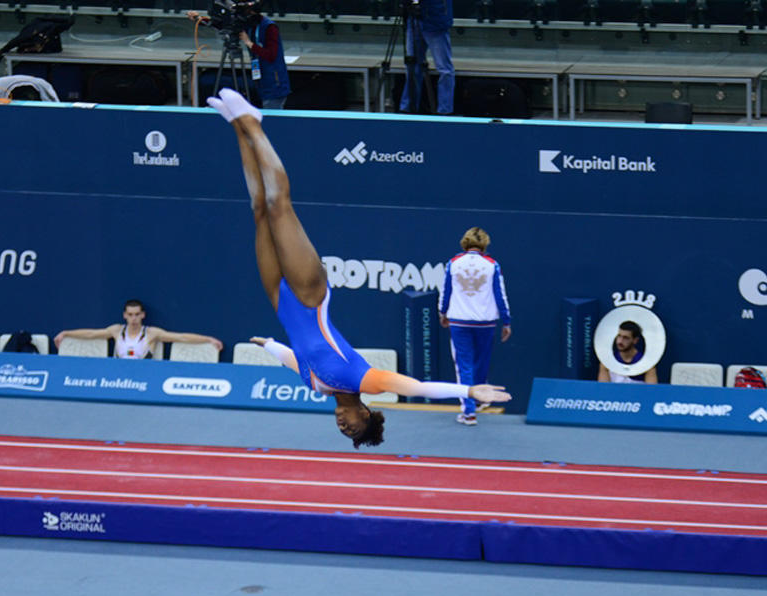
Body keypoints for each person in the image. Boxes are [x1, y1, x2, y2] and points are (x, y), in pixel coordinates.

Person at [207, 87, 509, 448]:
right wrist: (469, 388)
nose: (342, 424)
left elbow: (294, 357)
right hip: (309, 295)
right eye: (351, 427)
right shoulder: (362, 379)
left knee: (258, 211)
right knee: (278, 207)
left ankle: (237, 127)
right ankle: (255, 124)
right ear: (366, 413)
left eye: (342, 430)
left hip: (279, 300)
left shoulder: (316, 386)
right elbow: (416, 387)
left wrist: (269, 344)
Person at [438, 227, 511, 425]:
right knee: (481, 363)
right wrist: (506, 320)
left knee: (464, 366)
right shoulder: (492, 265)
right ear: (485, 244)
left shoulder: (453, 263)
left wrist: (442, 312)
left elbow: (445, 291)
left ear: (464, 242)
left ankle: (469, 411)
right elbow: (500, 294)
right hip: (485, 322)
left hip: (460, 321)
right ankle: (476, 400)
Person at [186, 0, 291, 110]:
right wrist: (199, 19)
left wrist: (249, 43)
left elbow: (271, 55)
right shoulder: (249, 24)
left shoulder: (269, 27)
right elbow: (223, 25)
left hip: (274, 82)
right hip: (261, 80)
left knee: (271, 117)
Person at [54, 299, 223, 359]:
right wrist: (66, 333)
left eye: (136, 315)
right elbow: (91, 334)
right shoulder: (115, 330)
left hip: (143, 377)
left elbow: (181, 337)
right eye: (130, 315)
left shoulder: (152, 333)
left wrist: (208, 339)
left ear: (143, 315)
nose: (133, 319)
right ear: (124, 316)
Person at [400, 0, 454, 115]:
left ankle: (445, 111)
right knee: (412, 67)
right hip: (414, 19)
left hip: (436, 18)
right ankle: (409, 107)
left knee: (444, 69)